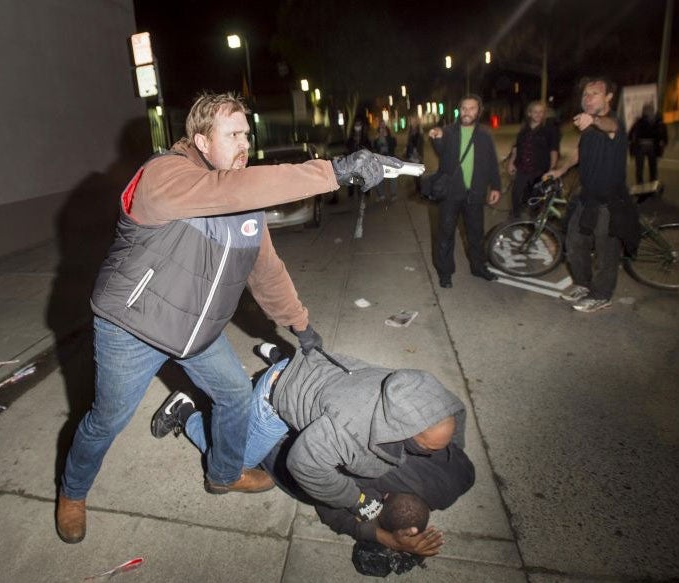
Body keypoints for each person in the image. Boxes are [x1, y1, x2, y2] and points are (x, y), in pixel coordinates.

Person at [55, 91, 402, 544]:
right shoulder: (164, 175)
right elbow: (228, 189)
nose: (245, 143)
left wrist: (302, 326)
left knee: (236, 396)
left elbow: (268, 273)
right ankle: (72, 492)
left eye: (246, 133)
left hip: (195, 329)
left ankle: (224, 473)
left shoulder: (244, 206)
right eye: (232, 134)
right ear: (200, 141)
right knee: (107, 420)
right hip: (133, 327)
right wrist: (331, 171)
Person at [152, 344, 474, 561]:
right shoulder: (354, 444)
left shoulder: (454, 478)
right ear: (383, 501)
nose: (438, 449)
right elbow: (310, 478)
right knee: (230, 471)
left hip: (327, 370)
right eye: (433, 445)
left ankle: (282, 358)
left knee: (306, 412)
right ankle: (187, 411)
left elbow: (452, 411)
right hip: (277, 400)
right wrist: (369, 517)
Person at [546, 77, 639, 313]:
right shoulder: (588, 129)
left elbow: (611, 127)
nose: (587, 99)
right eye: (585, 94)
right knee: (574, 243)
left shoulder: (614, 123)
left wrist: (594, 119)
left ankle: (602, 294)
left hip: (609, 200)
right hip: (586, 197)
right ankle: (583, 284)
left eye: (594, 94)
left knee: (606, 251)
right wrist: (560, 170)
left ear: (608, 97)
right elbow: (578, 153)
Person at [428, 95, 502, 288]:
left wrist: (496, 186)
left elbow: (492, 163)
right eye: (463, 108)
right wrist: (436, 136)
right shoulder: (448, 132)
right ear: (458, 110)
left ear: (478, 111)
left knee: (476, 234)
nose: (467, 112)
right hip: (451, 194)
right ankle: (445, 273)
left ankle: (478, 267)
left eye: (471, 108)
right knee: (445, 235)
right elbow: (440, 149)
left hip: (475, 193)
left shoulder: (484, 135)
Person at [506, 101, 560, 217]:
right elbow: (516, 147)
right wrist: (511, 163)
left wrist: (553, 169)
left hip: (539, 171)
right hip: (522, 168)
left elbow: (554, 150)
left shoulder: (550, 130)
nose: (538, 115)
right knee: (516, 194)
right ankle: (515, 219)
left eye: (541, 112)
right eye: (535, 112)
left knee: (536, 199)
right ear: (529, 113)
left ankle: (533, 225)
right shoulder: (523, 130)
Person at [330, 117, 373, 205]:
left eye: (359, 125)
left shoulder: (365, 138)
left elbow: (369, 148)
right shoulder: (351, 138)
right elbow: (347, 149)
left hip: (362, 162)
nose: (358, 127)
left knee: (363, 178)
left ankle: (364, 194)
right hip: (352, 161)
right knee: (353, 179)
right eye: (356, 125)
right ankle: (352, 195)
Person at [628, 103, 668, 184]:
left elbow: (631, 134)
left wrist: (630, 143)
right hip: (652, 146)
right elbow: (663, 133)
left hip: (641, 146)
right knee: (652, 167)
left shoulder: (640, 121)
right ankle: (651, 184)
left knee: (640, 168)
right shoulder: (658, 121)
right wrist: (664, 142)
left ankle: (641, 184)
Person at [373, 120, 398, 202]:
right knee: (380, 177)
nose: (382, 129)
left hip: (389, 159)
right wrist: (375, 140)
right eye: (381, 127)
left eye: (383, 126)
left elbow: (394, 145)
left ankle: (393, 194)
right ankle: (381, 195)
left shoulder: (390, 136)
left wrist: (388, 137)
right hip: (380, 160)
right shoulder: (377, 138)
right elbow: (373, 149)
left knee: (392, 177)